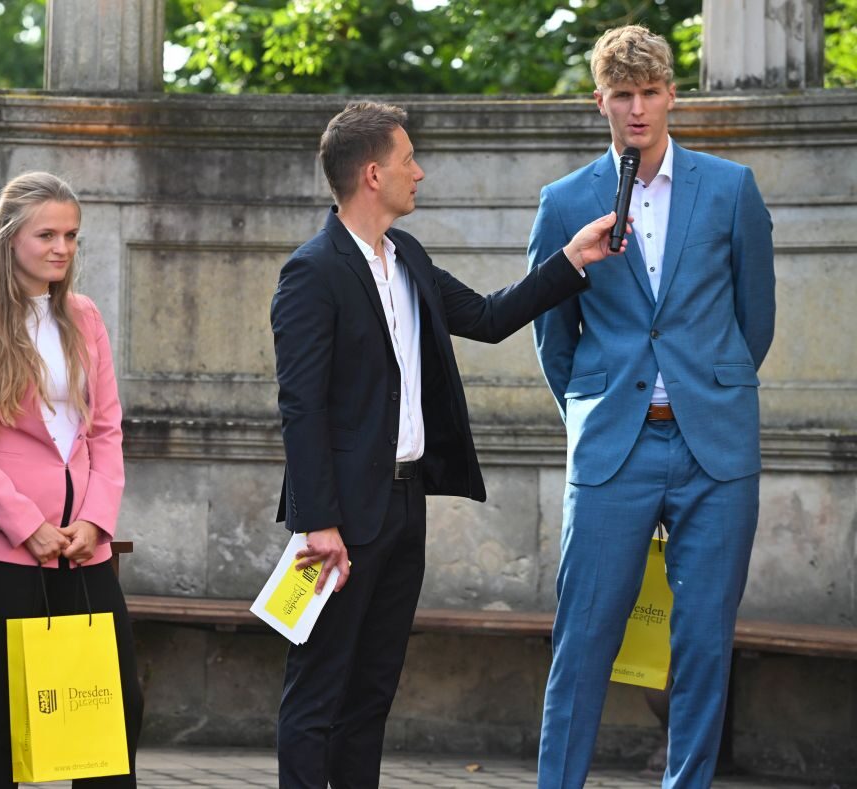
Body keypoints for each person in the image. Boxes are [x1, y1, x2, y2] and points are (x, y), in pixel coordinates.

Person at [271, 100, 627, 789]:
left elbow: (488, 317)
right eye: (409, 160)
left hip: (406, 508)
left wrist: (571, 259)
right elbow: (301, 407)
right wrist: (319, 523)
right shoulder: (312, 271)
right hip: (340, 519)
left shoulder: (408, 256)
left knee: (373, 691)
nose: (420, 172)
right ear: (373, 174)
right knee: (317, 691)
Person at [528, 25, 776, 788]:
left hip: (714, 448)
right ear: (599, 101)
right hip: (614, 449)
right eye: (622, 95)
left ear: (671, 95)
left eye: (649, 92)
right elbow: (553, 336)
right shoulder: (564, 201)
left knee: (702, 643)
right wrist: (595, 410)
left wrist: (708, 391)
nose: (636, 108)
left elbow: (755, 320)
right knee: (582, 639)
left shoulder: (730, 188)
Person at [0, 171, 143, 788]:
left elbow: (107, 430)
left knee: (112, 703)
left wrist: (95, 520)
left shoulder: (84, 316)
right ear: (10, 236)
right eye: (47, 234)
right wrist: (28, 526)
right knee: (1, 710)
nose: (61, 248)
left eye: (71, 236)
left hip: (82, 547)